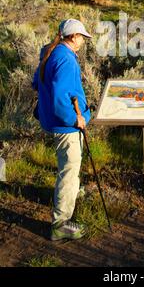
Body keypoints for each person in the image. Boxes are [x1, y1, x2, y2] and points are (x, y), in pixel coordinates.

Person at [31, 18, 92, 241]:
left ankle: (72, 193)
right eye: (82, 37)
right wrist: (76, 119)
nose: (83, 41)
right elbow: (59, 98)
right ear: (74, 37)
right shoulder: (66, 59)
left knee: (68, 166)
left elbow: (36, 83)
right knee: (68, 170)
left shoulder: (50, 52)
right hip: (65, 126)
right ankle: (60, 224)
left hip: (53, 121)